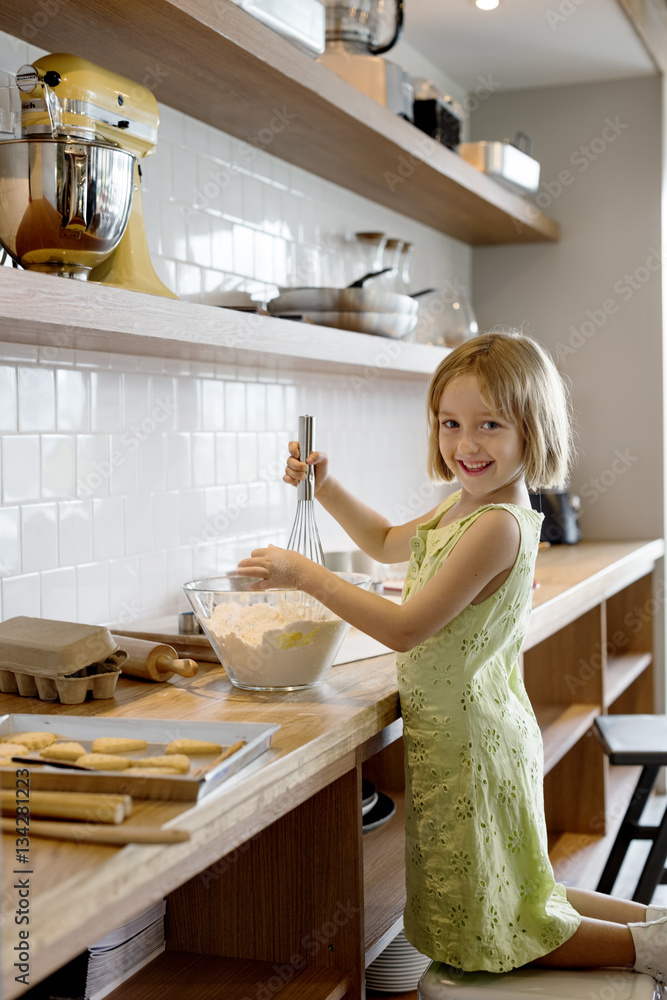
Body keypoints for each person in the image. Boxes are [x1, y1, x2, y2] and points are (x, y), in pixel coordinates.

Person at [237, 330, 667, 984]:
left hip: (471, 742)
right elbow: (383, 541)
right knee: (518, 891)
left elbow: (407, 628)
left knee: (496, 922)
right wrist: (326, 488)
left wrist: (307, 576)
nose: (465, 444)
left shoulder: (494, 524)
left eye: (489, 425)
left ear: (533, 432)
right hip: (471, 732)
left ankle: (647, 953)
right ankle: (654, 927)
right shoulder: (467, 507)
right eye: (450, 423)